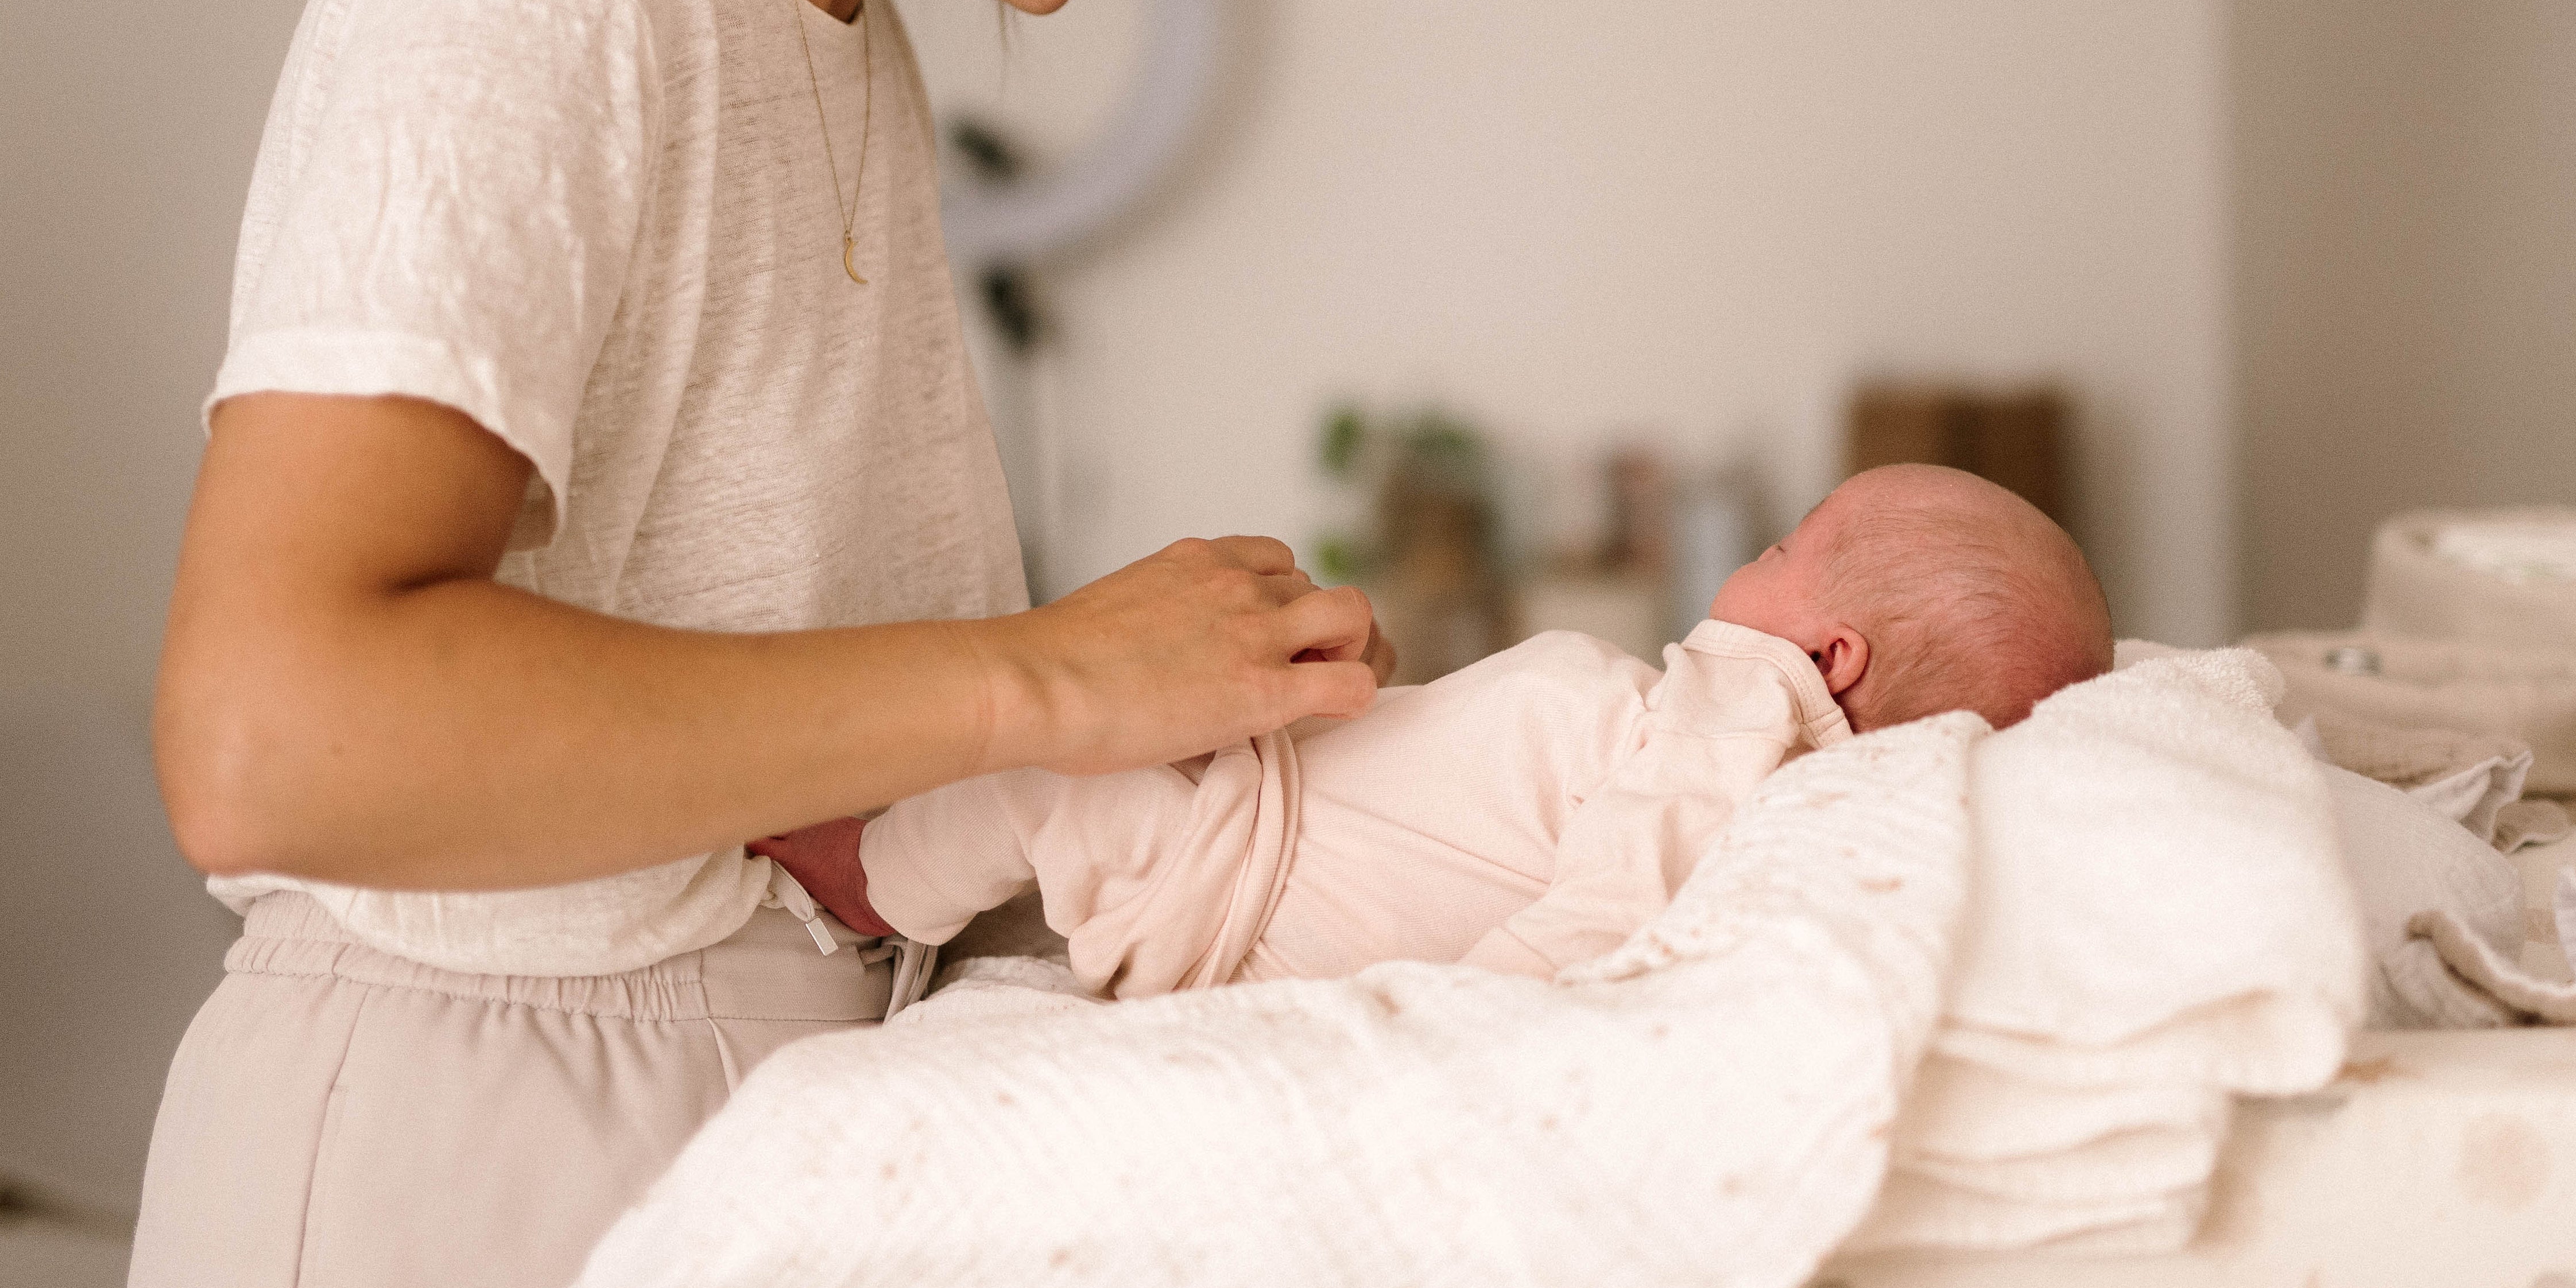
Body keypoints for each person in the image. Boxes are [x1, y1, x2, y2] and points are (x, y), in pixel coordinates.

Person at [131, 0, 1406, 1288]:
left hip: (734, 1170)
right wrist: (1041, 681)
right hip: (455, 1189)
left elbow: (810, 791)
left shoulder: (841, 49)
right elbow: (272, 732)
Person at [756, 465, 2115, 995]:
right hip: (1291, 823)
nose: (1745, 565)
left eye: (1779, 545)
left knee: (1059, 781)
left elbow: (1609, 907)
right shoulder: (1748, 751)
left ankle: (866, 873)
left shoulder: (1739, 719)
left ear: (1832, 655)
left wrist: (1475, 1014)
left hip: (1263, 860)